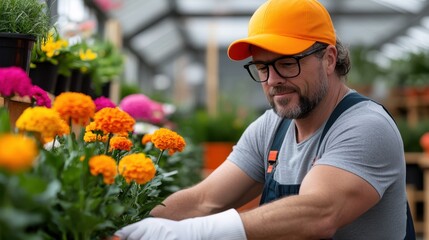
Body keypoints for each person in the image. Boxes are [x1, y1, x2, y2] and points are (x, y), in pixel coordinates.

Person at [115, 0, 413, 239]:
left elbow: (318, 214)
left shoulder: (365, 126)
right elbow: (205, 200)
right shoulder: (272, 128)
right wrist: (125, 222)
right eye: (262, 68)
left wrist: (194, 232)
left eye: (286, 64)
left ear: (329, 59)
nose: (273, 80)